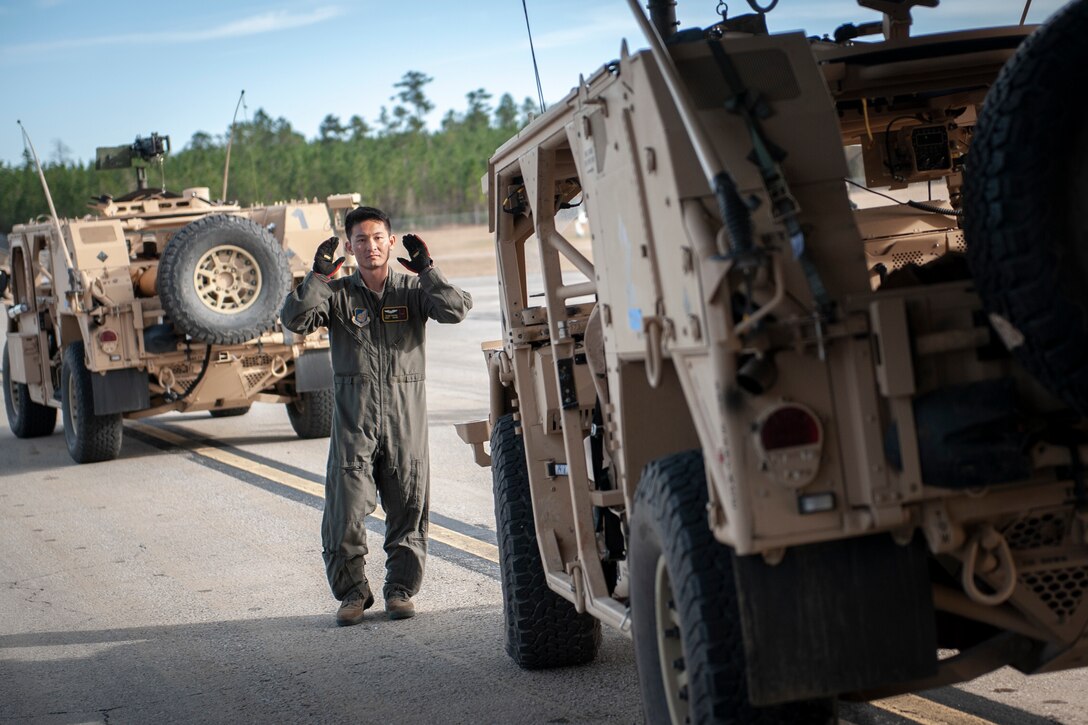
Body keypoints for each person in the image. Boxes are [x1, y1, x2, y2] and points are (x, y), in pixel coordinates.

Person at [280, 206, 472, 625]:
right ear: (349, 247)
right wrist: (317, 278)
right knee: (345, 510)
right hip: (355, 420)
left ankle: (400, 590)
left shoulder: (411, 290)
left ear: (391, 241)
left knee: (408, 507)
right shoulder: (338, 295)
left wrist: (428, 271)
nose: (370, 247)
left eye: (378, 237)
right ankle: (352, 593)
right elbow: (294, 319)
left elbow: (455, 309)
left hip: (405, 420)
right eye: (361, 240)